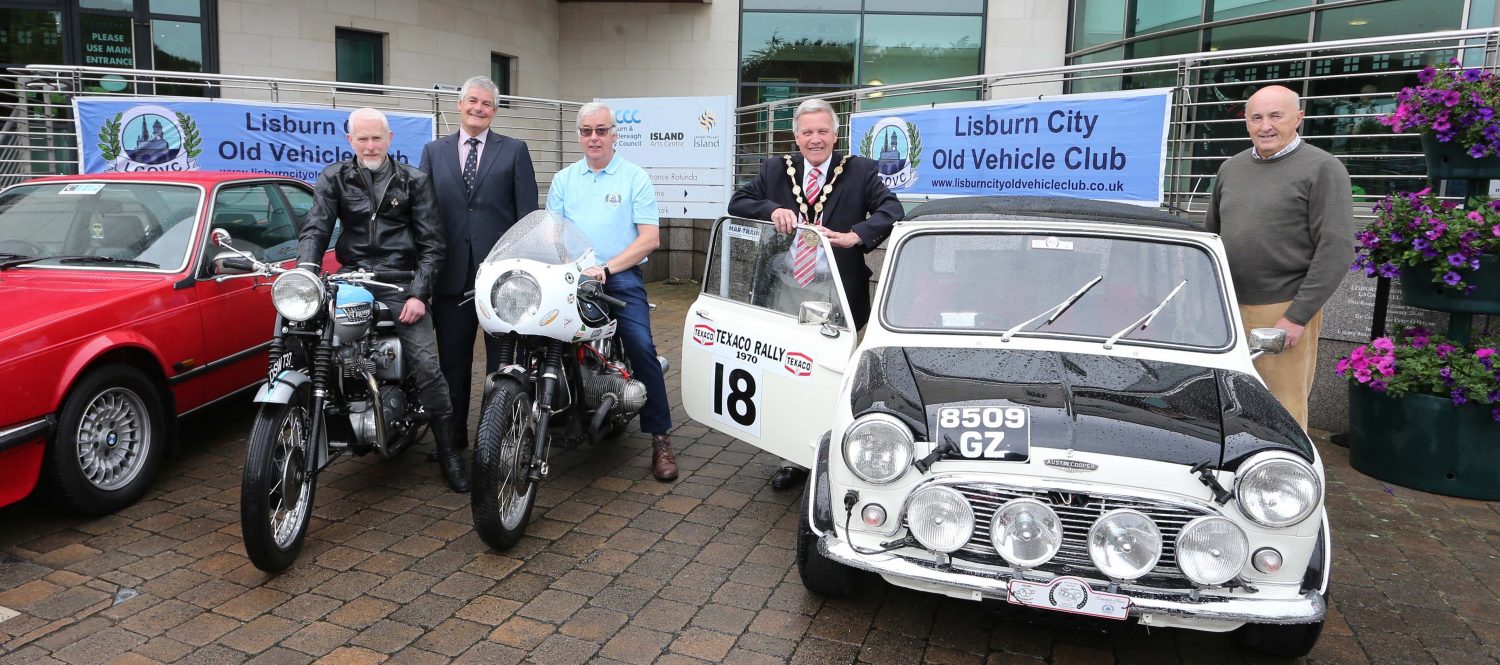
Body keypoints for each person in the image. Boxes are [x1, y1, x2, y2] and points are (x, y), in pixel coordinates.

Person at [728, 97, 904, 491]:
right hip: (786, 289)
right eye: (807, 132)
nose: (815, 139)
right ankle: (792, 456)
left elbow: (892, 209)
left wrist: (856, 235)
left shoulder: (859, 170)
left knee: (833, 374)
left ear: (835, 134)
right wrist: (772, 210)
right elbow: (738, 201)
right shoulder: (777, 169)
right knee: (788, 373)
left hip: (835, 290)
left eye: (823, 131)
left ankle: (835, 454)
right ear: (796, 136)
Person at [296, 107, 469, 493]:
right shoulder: (334, 178)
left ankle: (450, 453)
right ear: (350, 141)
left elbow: (432, 245)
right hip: (351, 276)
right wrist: (306, 270)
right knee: (305, 335)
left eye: (377, 138)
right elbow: (316, 229)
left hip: (399, 281)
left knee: (427, 364)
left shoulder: (414, 181)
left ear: (390, 140)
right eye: (363, 138)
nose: (370, 145)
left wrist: (419, 294)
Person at [1205, 85, 1354, 430]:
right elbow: (1211, 235)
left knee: (1280, 409)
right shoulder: (1230, 168)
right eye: (1256, 117)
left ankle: (1283, 482)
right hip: (1225, 308)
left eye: (1276, 116)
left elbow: (1336, 248)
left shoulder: (1323, 169)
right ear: (1246, 122)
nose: (1265, 126)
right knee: (1227, 403)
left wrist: (1296, 316)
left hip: (1281, 309)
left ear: (1298, 119)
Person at [546, 102, 677, 482]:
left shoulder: (634, 177)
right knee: (536, 335)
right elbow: (553, 234)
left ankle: (660, 437)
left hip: (618, 275)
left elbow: (650, 239)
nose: (594, 137)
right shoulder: (564, 179)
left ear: (615, 134)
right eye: (587, 130)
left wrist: (606, 268)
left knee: (640, 343)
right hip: (571, 277)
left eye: (601, 130)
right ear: (578, 135)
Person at [419, 76, 539, 451]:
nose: (478, 108)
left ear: (495, 110)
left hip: (501, 284)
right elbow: (424, 216)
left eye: (486, 103)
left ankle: (495, 445)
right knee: (452, 368)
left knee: (500, 369)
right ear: (459, 104)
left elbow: (527, 220)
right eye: (472, 101)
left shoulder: (515, 150)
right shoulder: (433, 152)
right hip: (450, 280)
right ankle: (452, 446)